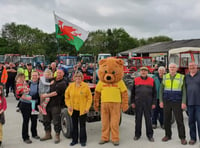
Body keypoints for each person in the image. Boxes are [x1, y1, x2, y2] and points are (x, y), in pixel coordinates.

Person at [159, 63, 187, 145]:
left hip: (177, 101)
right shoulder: (165, 76)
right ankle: (167, 135)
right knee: (166, 119)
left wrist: (184, 102)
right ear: (168, 68)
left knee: (179, 120)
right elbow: (161, 90)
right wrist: (161, 101)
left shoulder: (181, 77)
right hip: (166, 101)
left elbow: (184, 90)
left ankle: (182, 137)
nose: (172, 68)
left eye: (174, 67)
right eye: (171, 67)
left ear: (177, 68)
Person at [65, 71, 92, 147]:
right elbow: (67, 97)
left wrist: (87, 107)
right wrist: (69, 105)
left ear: (81, 78)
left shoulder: (85, 86)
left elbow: (89, 98)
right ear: (74, 78)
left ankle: (83, 141)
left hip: (82, 109)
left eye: (79, 77)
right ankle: (74, 140)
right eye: (76, 77)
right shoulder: (71, 86)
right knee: (74, 125)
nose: (78, 79)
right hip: (73, 109)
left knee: (82, 125)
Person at [40, 69, 67, 144]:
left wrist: (45, 95)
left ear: (63, 74)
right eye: (57, 72)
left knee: (56, 121)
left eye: (60, 73)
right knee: (46, 119)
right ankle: (48, 134)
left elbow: (55, 93)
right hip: (46, 103)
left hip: (56, 104)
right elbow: (43, 79)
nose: (58, 74)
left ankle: (57, 135)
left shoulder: (63, 83)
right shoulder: (52, 79)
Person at [131, 66, 156, 142]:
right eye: (142, 71)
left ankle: (150, 135)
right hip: (138, 103)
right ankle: (137, 135)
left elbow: (155, 93)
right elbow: (132, 93)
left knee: (148, 120)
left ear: (147, 72)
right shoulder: (135, 80)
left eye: (145, 71)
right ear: (140, 72)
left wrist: (154, 103)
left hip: (148, 103)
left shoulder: (151, 80)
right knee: (138, 120)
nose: (143, 72)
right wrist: (132, 102)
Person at [16, 71, 40, 144]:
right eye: (33, 75)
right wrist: (23, 96)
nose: (34, 77)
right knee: (26, 121)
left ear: (38, 76)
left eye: (36, 75)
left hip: (34, 104)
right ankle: (25, 137)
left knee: (34, 120)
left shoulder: (40, 84)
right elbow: (19, 93)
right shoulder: (27, 83)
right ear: (31, 76)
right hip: (25, 104)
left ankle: (34, 134)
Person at [185, 62, 200, 145]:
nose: (192, 67)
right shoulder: (186, 77)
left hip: (199, 104)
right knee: (191, 122)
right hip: (189, 103)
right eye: (190, 66)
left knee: (199, 122)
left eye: (193, 66)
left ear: (197, 67)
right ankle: (193, 138)